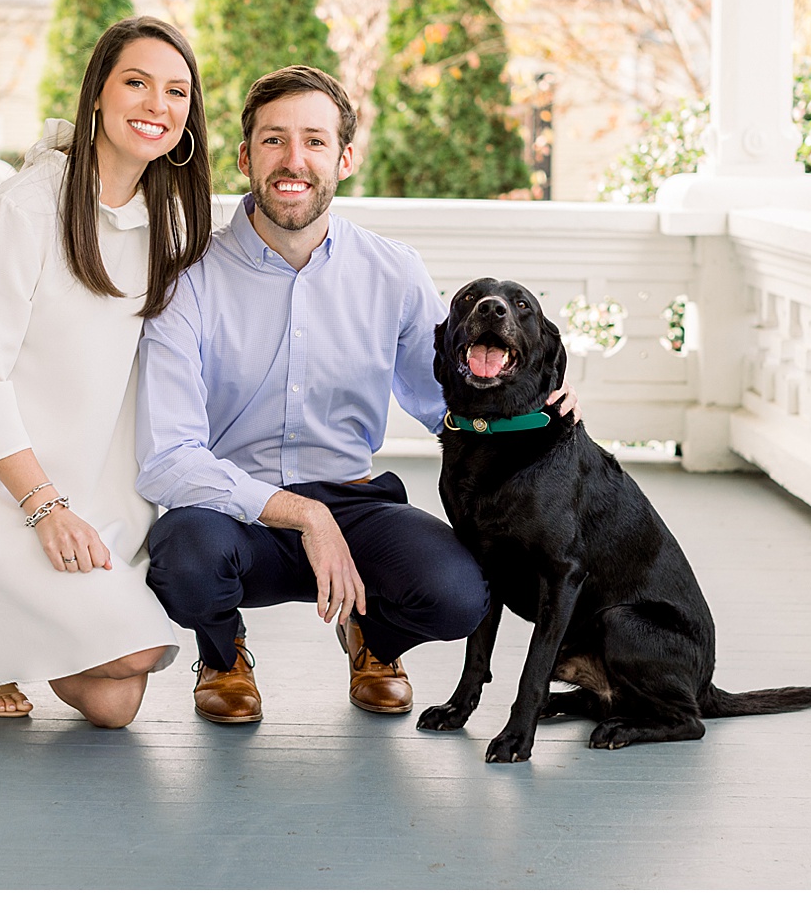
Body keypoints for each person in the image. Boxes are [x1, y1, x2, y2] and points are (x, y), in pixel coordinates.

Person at [134, 65, 574, 724]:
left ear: (343, 156)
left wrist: (538, 409)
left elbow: (447, 402)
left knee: (460, 592)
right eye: (274, 139)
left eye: (314, 141)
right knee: (182, 557)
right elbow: (169, 457)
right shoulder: (189, 280)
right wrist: (306, 517)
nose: (293, 160)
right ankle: (222, 653)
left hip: (356, 505)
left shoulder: (392, 270)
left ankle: (374, 638)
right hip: (235, 511)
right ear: (245, 154)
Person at [0, 16, 212, 727]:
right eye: (136, 83)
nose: (156, 105)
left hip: (95, 494)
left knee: (115, 701)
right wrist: (44, 508)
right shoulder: (24, 207)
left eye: (176, 92)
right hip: (2, 490)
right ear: (97, 95)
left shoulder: (165, 218)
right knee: (132, 657)